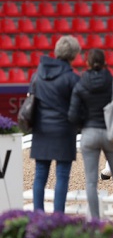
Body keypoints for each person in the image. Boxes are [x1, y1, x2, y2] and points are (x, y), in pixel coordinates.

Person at [68, 49, 113, 221]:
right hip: (112, 134)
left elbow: (73, 116)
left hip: (90, 133)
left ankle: (95, 222)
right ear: (105, 63)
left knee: (91, 182)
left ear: (87, 63)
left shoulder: (81, 84)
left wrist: (85, 124)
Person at [30, 35, 81, 213]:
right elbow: (78, 108)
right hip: (64, 131)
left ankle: (38, 215)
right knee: (62, 176)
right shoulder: (72, 79)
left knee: (39, 176)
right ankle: (58, 217)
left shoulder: (37, 75)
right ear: (74, 55)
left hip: (41, 130)